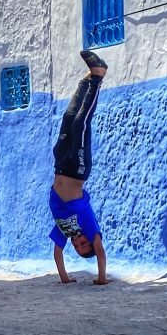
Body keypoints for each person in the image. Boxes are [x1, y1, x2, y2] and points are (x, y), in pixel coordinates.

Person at [49, 51, 109, 285]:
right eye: (86, 245)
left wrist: (64, 278)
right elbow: (101, 253)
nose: (79, 241)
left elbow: (56, 253)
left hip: (61, 164)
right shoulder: (88, 225)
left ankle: (86, 80)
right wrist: (101, 278)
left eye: (78, 247)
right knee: (81, 123)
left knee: (69, 118)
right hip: (77, 170)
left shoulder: (64, 231)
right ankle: (98, 77)